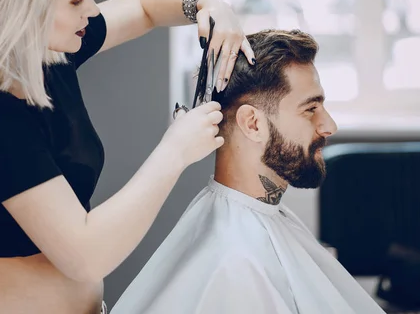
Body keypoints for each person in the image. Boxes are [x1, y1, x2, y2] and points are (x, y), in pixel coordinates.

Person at [0, 0, 255, 313]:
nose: (90, 10)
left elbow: (145, 6)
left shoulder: (49, 58)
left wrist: (209, 4)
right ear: (23, 6)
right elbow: (85, 255)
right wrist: (174, 151)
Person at [111, 30, 386, 314]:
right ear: (253, 124)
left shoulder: (257, 222)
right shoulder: (234, 262)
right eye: (311, 109)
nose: (329, 125)